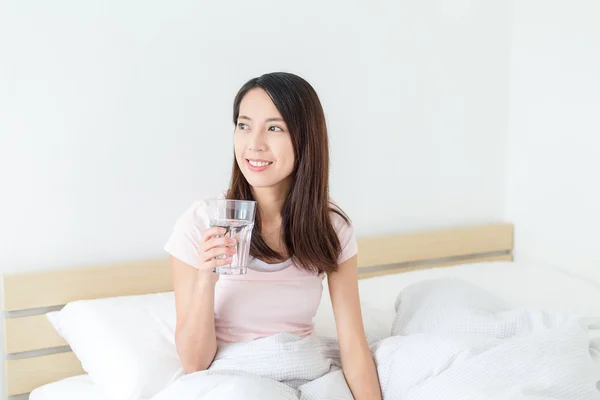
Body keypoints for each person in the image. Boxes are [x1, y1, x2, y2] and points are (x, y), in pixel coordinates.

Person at [164, 72, 382, 399]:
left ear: (305, 138)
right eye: (244, 125)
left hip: (304, 372)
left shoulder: (330, 227)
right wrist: (206, 278)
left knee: (400, 359)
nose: (254, 144)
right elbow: (195, 363)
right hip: (233, 382)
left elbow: (352, 344)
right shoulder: (201, 223)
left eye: (274, 128)